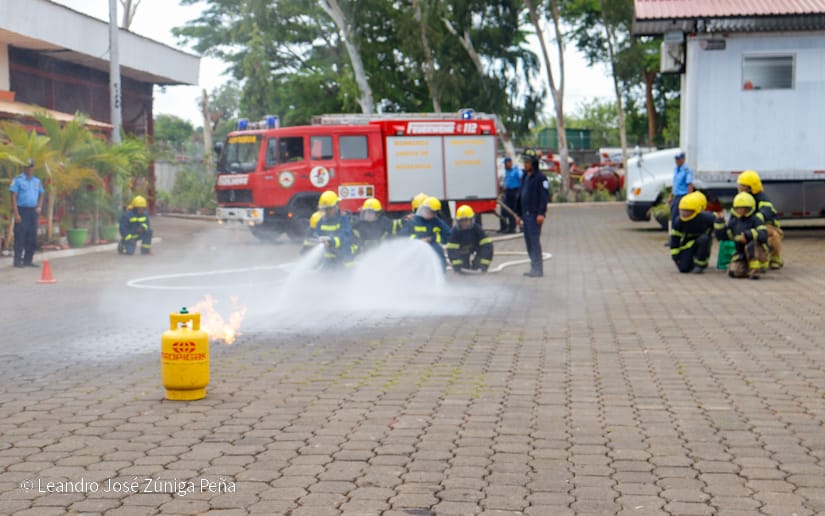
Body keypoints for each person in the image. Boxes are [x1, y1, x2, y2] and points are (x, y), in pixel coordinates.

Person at [714, 192, 767, 280]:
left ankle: (755, 270)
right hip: (741, 252)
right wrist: (719, 224)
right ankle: (746, 268)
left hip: (757, 251)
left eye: (743, 208)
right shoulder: (734, 222)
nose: (740, 211)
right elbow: (725, 237)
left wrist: (748, 235)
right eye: (738, 208)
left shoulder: (756, 219)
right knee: (734, 273)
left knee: (751, 245)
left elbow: (763, 235)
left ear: (749, 208)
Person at [737, 169, 783, 270]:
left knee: (773, 235)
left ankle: (775, 259)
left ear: (750, 187)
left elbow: (767, 210)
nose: (740, 188)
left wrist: (758, 218)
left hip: (763, 226)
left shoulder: (761, 198)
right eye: (740, 185)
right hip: (748, 226)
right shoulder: (741, 197)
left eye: (742, 186)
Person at [515, 149, 550, 277]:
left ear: (534, 163)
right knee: (528, 242)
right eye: (524, 162)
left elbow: (544, 197)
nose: (525, 164)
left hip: (534, 216)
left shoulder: (540, 178)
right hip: (524, 215)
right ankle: (533, 267)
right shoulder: (525, 177)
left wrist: (541, 213)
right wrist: (518, 214)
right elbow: (520, 196)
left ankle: (538, 269)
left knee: (534, 242)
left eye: (528, 162)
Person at [9, 158, 44, 268]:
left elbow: (42, 194)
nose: (29, 170)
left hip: (33, 211)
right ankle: (17, 261)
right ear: (24, 168)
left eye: (31, 168)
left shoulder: (37, 181)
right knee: (20, 236)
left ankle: (28, 260)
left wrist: (39, 206)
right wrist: (16, 213)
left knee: (32, 237)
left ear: (33, 168)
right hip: (22, 211)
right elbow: (13, 196)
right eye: (27, 167)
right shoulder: (18, 180)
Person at [400, 196, 452, 270]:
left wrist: (432, 238)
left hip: (433, 245)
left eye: (435, 212)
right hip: (416, 248)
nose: (433, 214)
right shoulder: (413, 221)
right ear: (423, 209)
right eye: (431, 211)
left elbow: (449, 234)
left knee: (438, 253)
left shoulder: (437, 221)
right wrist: (419, 240)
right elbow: (403, 237)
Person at [670, 191, 714, 273]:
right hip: (686, 244)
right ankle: (691, 261)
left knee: (704, 239)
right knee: (684, 269)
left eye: (688, 211)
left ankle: (700, 265)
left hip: (702, 241)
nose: (684, 213)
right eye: (682, 210)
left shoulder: (706, 218)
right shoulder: (678, 221)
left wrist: (720, 222)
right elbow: (674, 239)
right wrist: (675, 257)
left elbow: (717, 227)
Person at [447, 205, 494, 274]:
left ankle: (479, 267)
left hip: (475, 248)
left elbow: (487, 246)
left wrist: (484, 267)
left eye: (466, 220)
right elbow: (452, 251)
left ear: (471, 219)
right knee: (463, 270)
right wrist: (456, 269)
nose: (464, 223)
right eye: (461, 221)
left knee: (477, 267)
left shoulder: (477, 228)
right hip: (462, 251)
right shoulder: (455, 232)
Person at [314, 190, 355, 269]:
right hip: (328, 262)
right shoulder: (322, 221)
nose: (327, 212)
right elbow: (316, 233)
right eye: (325, 209)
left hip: (343, 262)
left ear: (336, 206)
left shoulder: (344, 219)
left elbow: (345, 237)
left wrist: (331, 242)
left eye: (329, 209)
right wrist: (318, 240)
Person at [669, 150, 695, 225]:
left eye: (678, 159)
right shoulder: (676, 169)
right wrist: (671, 196)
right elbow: (675, 183)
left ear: (683, 159)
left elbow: (689, 185)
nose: (676, 161)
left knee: (680, 217)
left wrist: (689, 200)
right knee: (674, 216)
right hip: (676, 196)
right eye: (676, 159)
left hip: (683, 197)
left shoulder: (687, 170)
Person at [499, 157, 522, 233]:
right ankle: (503, 227)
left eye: (505, 163)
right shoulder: (506, 172)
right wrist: (503, 193)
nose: (505, 165)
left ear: (509, 163)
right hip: (507, 192)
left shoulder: (516, 171)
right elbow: (505, 183)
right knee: (504, 210)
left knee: (512, 211)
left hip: (514, 192)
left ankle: (512, 228)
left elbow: (521, 179)